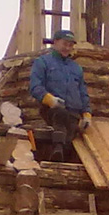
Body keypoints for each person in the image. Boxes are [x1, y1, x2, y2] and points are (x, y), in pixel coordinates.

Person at [29, 29, 92, 162]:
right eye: (65, 44)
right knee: (60, 114)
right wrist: (49, 99)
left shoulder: (76, 68)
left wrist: (86, 114)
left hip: (73, 112)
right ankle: (57, 148)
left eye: (70, 45)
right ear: (55, 42)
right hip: (51, 109)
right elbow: (35, 86)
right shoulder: (43, 62)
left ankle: (60, 155)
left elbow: (83, 92)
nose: (67, 48)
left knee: (70, 133)